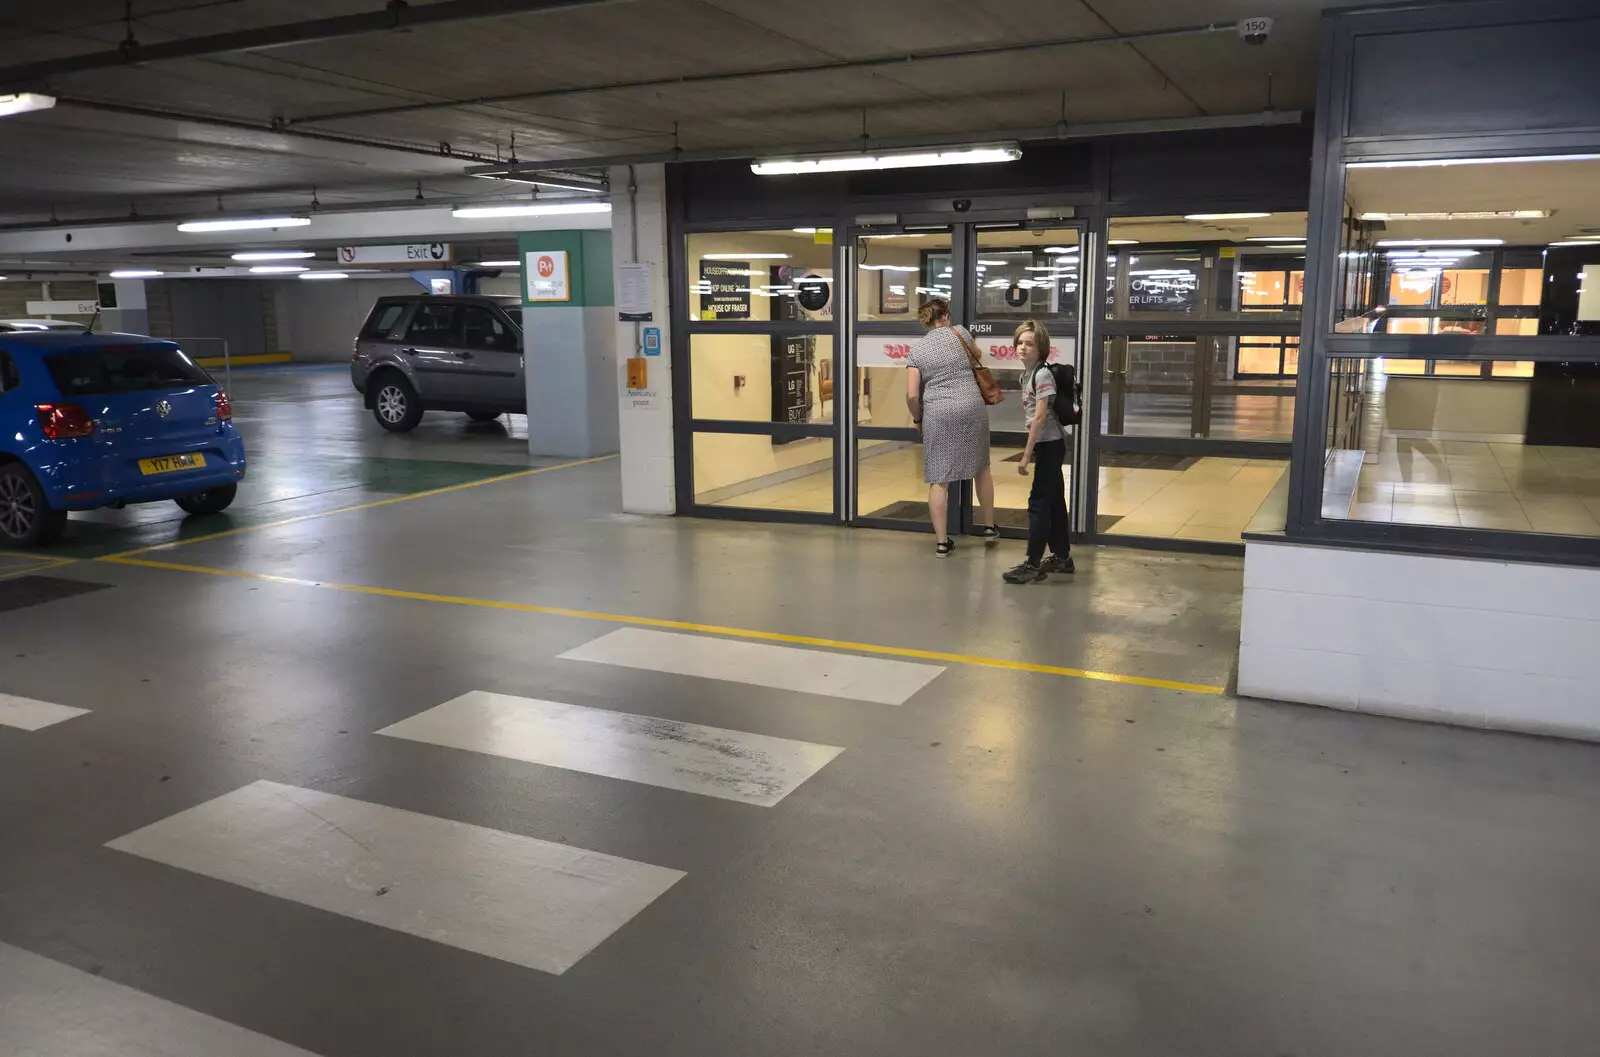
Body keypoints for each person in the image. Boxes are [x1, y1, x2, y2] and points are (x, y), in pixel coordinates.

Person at [905, 298, 998, 556]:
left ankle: (942, 543)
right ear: (945, 315)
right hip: (971, 407)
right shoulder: (961, 334)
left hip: (938, 412)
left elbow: (912, 395)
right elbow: (977, 356)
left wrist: (918, 419)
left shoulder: (917, 351)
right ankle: (989, 527)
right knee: (982, 467)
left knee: (939, 478)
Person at [1002, 319, 1074, 584]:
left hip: (1050, 445)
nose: (1022, 348)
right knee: (1054, 502)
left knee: (1038, 504)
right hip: (1048, 445)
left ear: (1040, 347)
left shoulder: (1041, 374)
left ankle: (1032, 564)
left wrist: (1026, 454)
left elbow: (1040, 419)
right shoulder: (1028, 374)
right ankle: (1062, 557)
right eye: (1020, 342)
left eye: (1029, 343)